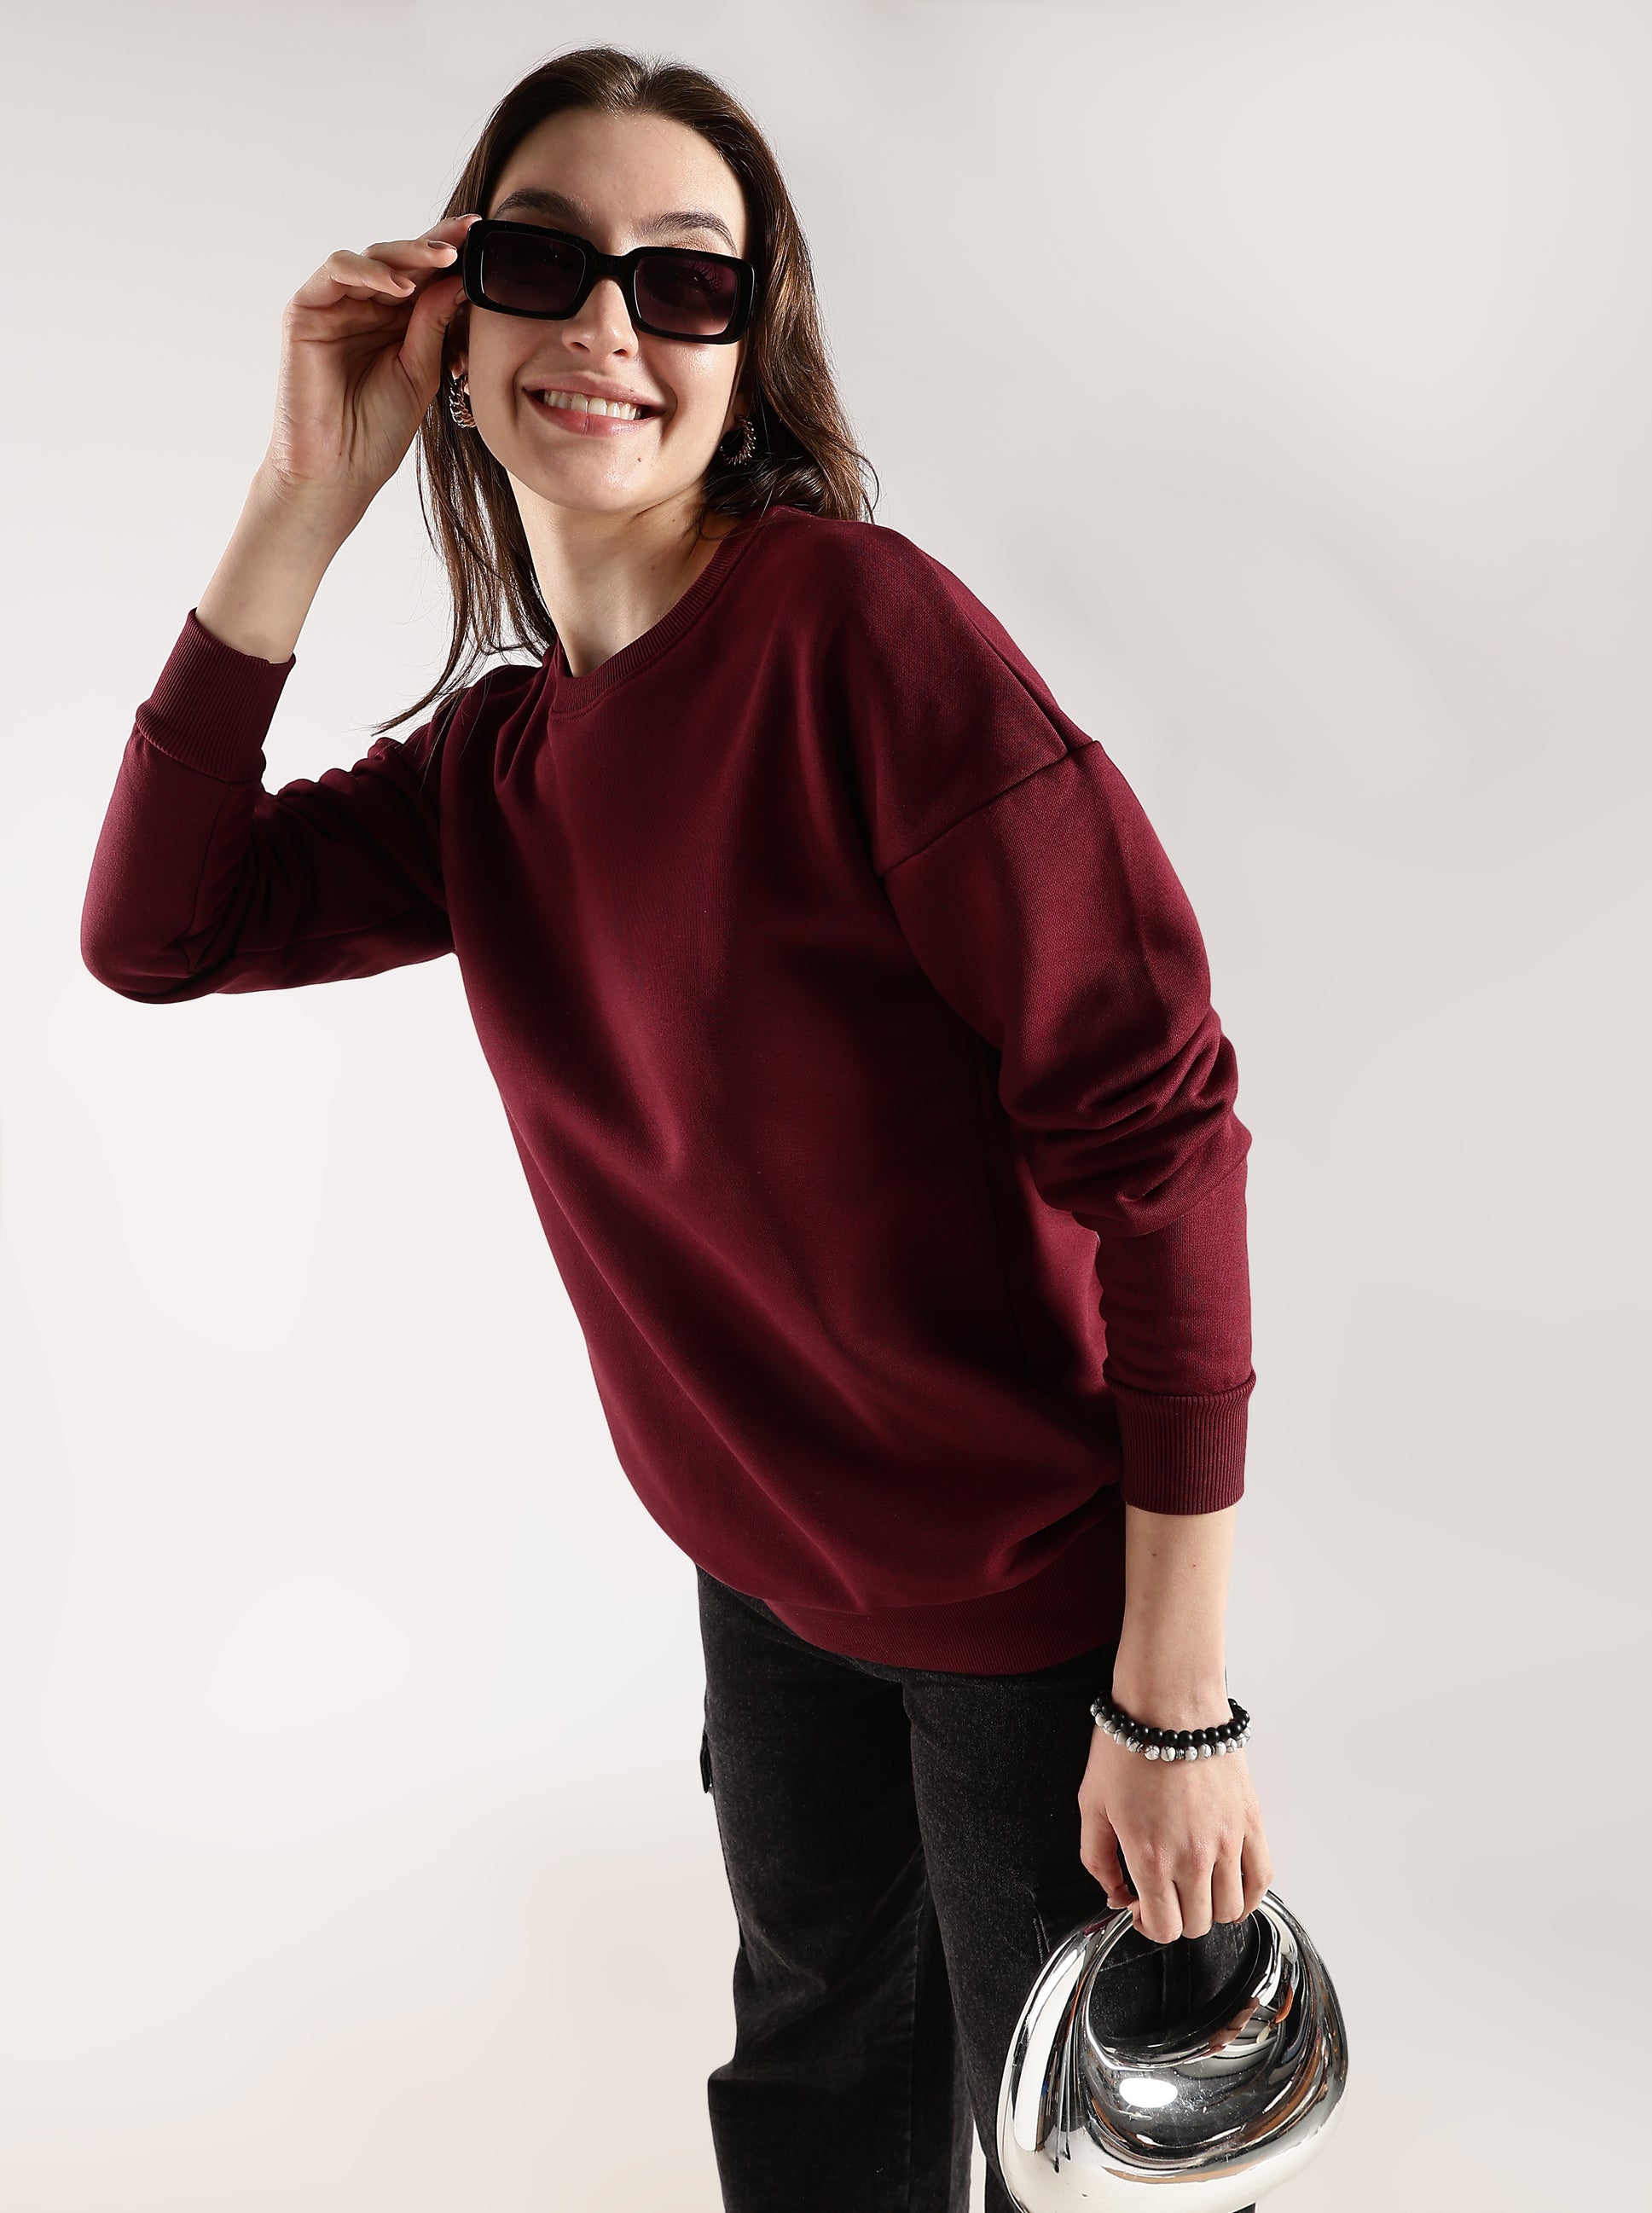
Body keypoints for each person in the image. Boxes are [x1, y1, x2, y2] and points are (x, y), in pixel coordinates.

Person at [81, 43, 1271, 2213]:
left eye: (685, 280)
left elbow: (1162, 1131)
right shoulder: (497, 770)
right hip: (762, 1566)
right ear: (454, 326)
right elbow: (159, 927)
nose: (610, 325)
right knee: (818, 2097)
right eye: (543, 262)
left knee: (1107, 2174)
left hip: (1027, 1603)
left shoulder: (856, 635)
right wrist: (301, 489)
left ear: (749, 346)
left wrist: (1172, 1702)